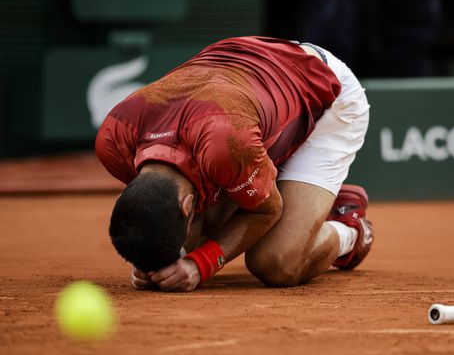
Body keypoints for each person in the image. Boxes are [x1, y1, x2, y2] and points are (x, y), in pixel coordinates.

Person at [95, 36, 374, 292]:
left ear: (188, 205)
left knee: (277, 263)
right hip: (244, 89)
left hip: (324, 93)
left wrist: (199, 264)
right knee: (193, 235)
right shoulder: (113, 142)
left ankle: (348, 228)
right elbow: (161, 212)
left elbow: (266, 211)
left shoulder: (224, 144)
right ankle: (297, 198)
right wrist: (150, 264)